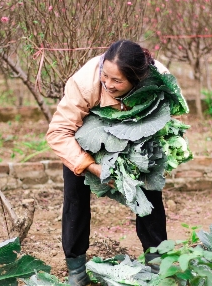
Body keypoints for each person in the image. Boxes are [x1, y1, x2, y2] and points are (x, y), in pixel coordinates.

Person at [46, 40, 169, 286]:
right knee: (75, 198)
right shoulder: (84, 83)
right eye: (105, 76)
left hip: (134, 139)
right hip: (85, 139)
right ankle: (76, 269)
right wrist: (92, 167)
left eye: (117, 81)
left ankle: (158, 267)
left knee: (149, 195)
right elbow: (58, 132)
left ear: (137, 80)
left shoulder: (159, 80)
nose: (108, 84)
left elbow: (168, 119)